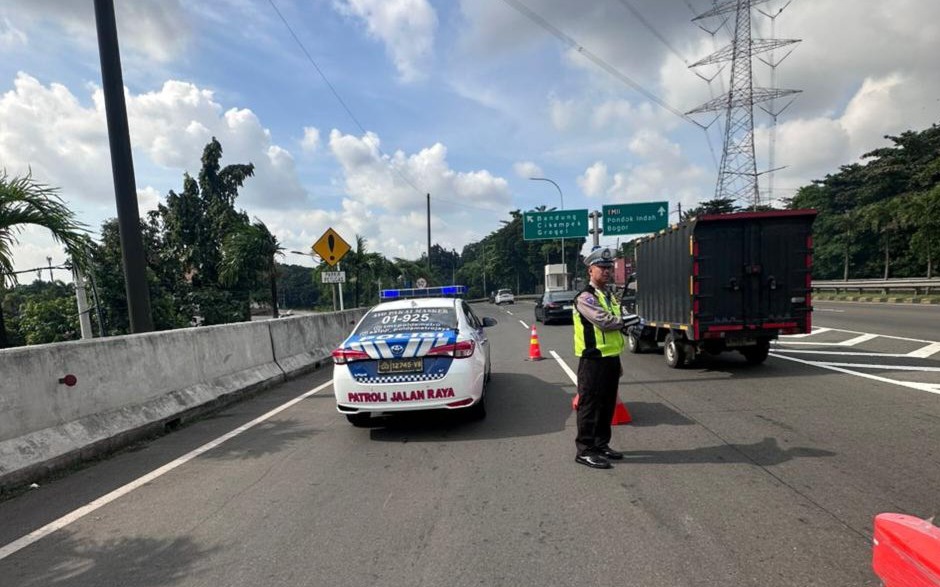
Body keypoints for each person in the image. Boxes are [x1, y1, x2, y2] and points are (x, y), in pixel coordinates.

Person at [572, 247, 639, 469]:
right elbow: (604, 321)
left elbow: (616, 320)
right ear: (591, 270)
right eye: (602, 267)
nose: (607, 271)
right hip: (592, 360)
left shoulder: (608, 295)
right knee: (589, 406)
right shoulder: (585, 297)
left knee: (607, 405)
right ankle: (585, 450)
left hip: (610, 358)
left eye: (609, 268)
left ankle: (601, 445)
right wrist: (627, 321)